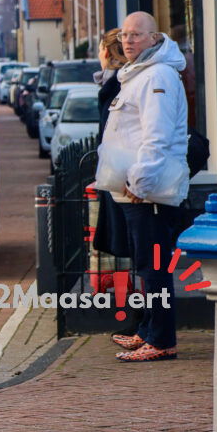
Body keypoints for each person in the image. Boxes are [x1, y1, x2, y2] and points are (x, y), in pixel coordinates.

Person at [97, 12, 188, 363]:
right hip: (135, 189)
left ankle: (162, 340)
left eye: (136, 35)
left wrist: (141, 181)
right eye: (124, 35)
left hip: (148, 191)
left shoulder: (157, 76)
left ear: (154, 38)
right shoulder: (139, 74)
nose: (128, 41)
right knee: (145, 265)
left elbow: (157, 136)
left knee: (154, 268)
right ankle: (148, 330)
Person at [92, 29, 131, 261]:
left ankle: (156, 297)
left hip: (126, 180)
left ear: (105, 52)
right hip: (125, 177)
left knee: (144, 253)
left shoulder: (116, 86)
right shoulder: (119, 83)